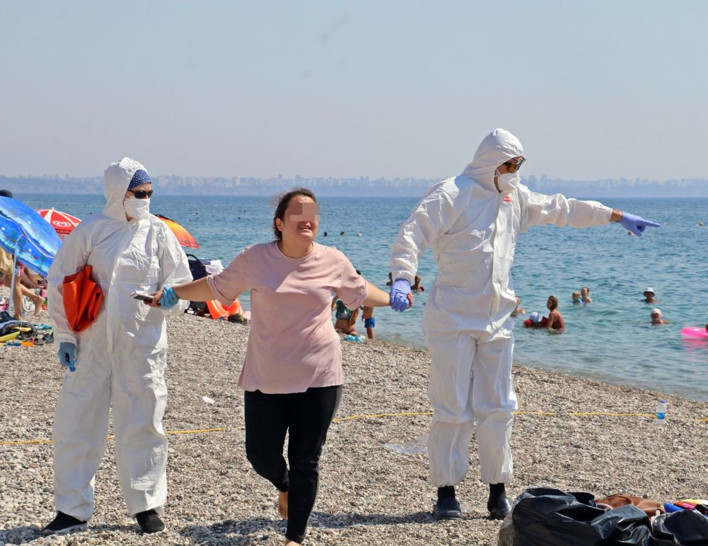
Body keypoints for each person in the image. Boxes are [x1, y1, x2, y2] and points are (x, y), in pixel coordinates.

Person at [388, 128, 659, 521]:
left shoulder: (515, 198)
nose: (514, 171)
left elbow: (562, 209)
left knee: (499, 406)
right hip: (451, 318)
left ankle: (497, 490)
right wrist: (401, 275)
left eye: (519, 164)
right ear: (489, 162)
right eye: (509, 163)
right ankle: (446, 492)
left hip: (497, 319)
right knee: (452, 406)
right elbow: (413, 234)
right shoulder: (452, 193)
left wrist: (615, 216)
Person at [156, 188, 392, 545]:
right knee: (260, 455)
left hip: (320, 375)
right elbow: (218, 287)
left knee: (306, 460)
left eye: (312, 212)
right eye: (297, 213)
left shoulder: (333, 260)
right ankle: (284, 484)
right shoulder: (255, 259)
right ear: (279, 224)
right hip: (267, 375)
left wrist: (397, 297)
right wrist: (178, 291)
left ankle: (294, 537)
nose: (307, 218)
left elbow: (359, 291)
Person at [43, 158, 192, 536]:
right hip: (89, 346)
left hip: (142, 347)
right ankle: (72, 508)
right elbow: (61, 282)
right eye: (138, 194)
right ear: (117, 194)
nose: (145, 200)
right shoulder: (90, 231)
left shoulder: (158, 233)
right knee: (76, 424)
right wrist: (64, 336)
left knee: (144, 423)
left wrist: (173, 298)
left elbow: (182, 283)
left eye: (149, 194)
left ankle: (146, 505)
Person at [0, 190, 44, 320]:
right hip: (13, 253)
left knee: (15, 284)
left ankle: (18, 315)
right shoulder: (8, 214)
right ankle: (36, 298)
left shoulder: (11, 216)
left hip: (16, 255)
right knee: (9, 283)